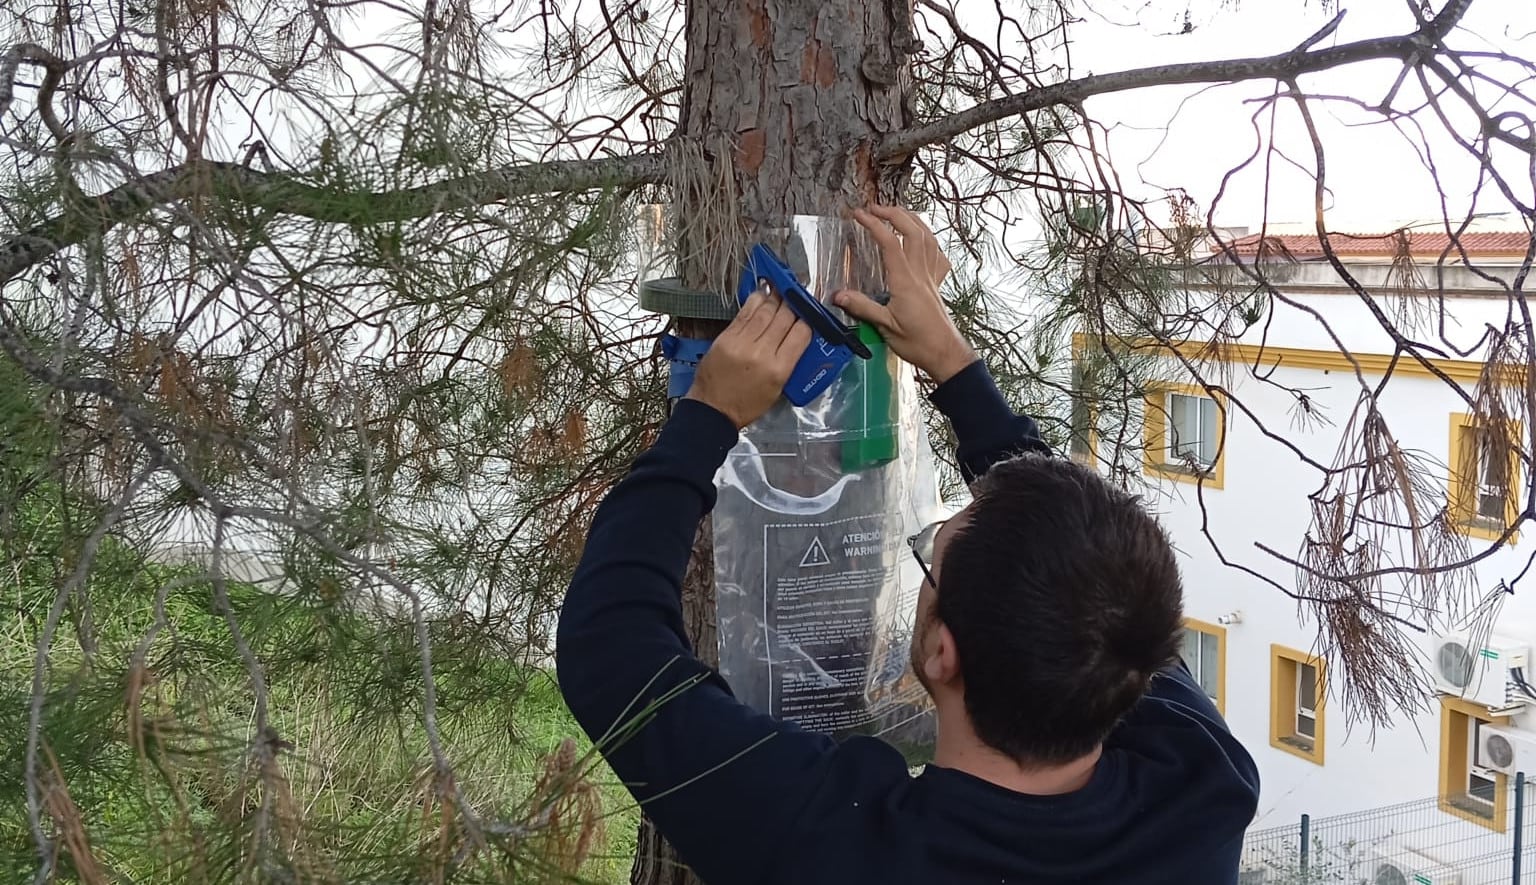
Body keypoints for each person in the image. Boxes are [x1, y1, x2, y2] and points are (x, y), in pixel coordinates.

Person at [556, 205, 1260, 884]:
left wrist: (706, 415)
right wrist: (951, 362)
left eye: (933, 554)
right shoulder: (1201, 790)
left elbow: (609, 646)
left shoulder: (837, 846)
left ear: (942, 652)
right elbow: (1083, 562)